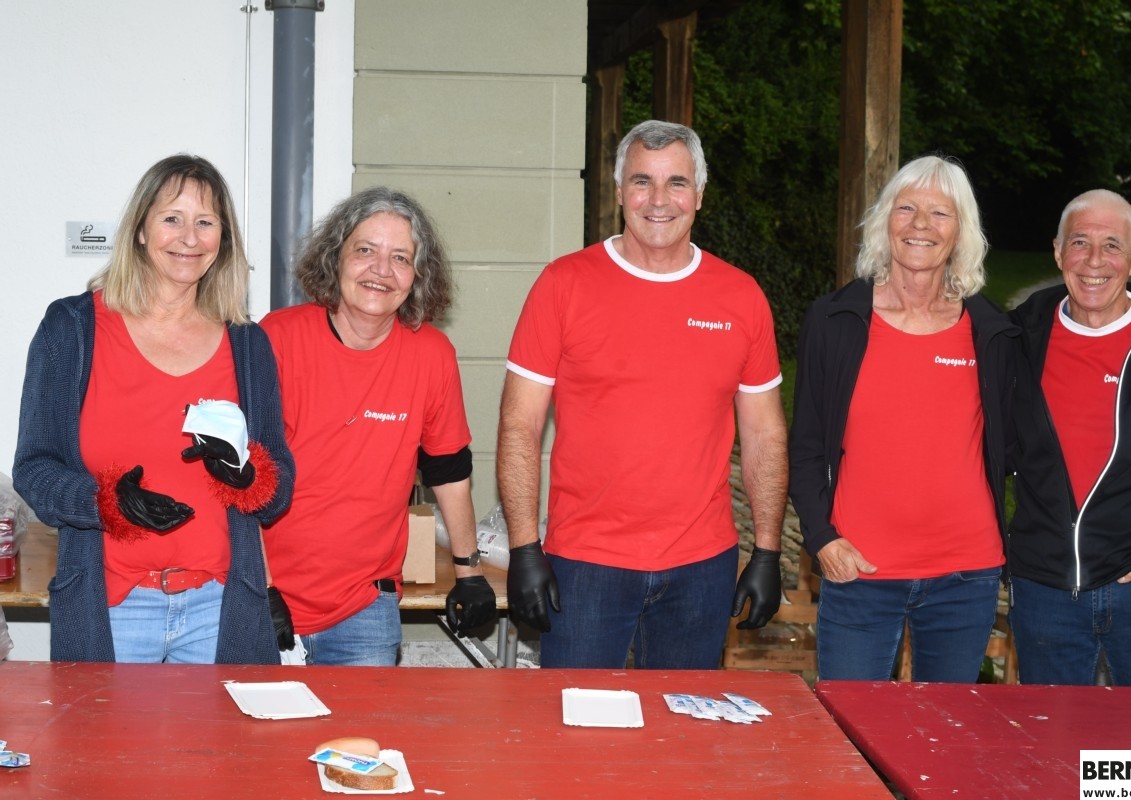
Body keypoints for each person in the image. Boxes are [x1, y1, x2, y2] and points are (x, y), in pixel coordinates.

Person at [497, 119, 787, 669]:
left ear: (699, 194)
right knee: (576, 717)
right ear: (618, 192)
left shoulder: (741, 297)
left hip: (701, 566)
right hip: (585, 563)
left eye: (676, 182)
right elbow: (519, 424)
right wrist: (524, 547)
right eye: (641, 181)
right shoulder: (563, 284)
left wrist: (768, 550)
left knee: (682, 721)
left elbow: (764, 433)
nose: (658, 200)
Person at [13, 154, 295, 664]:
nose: (189, 237)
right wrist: (104, 504)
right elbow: (34, 469)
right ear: (141, 231)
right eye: (172, 218)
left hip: (219, 606)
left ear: (223, 239)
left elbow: (278, 488)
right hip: (112, 606)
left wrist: (249, 477)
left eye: (206, 222)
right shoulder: (73, 329)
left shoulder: (247, 343)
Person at [789, 155, 1017, 682]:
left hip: (965, 575)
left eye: (940, 213)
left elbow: (1016, 445)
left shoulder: (991, 332)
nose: (920, 225)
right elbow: (805, 446)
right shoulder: (835, 321)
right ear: (884, 220)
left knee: (945, 727)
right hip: (858, 569)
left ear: (960, 231)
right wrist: (821, 537)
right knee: (850, 724)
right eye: (906, 208)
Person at [260, 187, 496, 666]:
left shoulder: (431, 355)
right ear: (335, 258)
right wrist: (259, 588)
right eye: (365, 250)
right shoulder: (276, 337)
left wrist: (469, 572)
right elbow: (242, 477)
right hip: (267, 598)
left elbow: (449, 470)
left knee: (362, 721)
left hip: (364, 608)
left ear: (417, 276)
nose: (381, 270)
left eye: (400, 258)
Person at [1007, 189, 1131, 686]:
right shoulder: (1016, 339)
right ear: (1058, 252)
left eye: (1112, 245)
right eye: (1080, 242)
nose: (1094, 260)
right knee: (1052, 735)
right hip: (1046, 594)